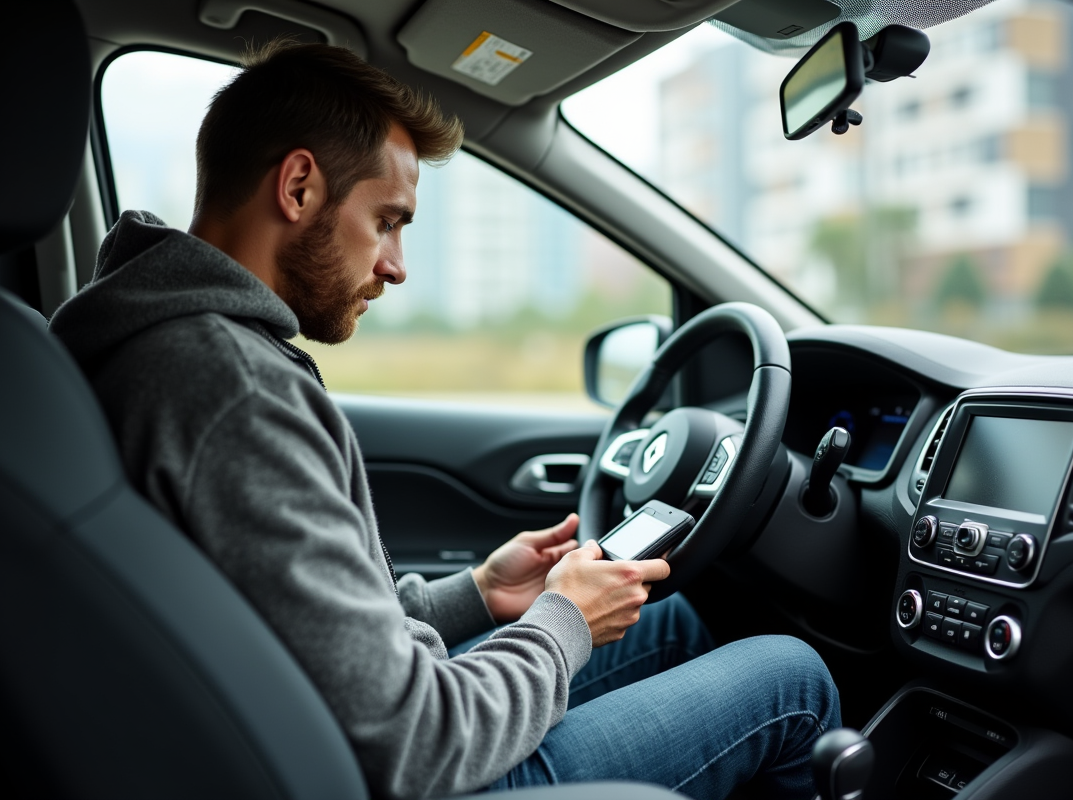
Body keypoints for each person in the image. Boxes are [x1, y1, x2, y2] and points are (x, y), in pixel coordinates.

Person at [50, 40, 840, 800]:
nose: (395, 265)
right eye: (387, 221)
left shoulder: (162, 347)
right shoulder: (233, 392)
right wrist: (565, 617)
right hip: (414, 769)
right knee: (792, 678)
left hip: (338, 737)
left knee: (671, 622)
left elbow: (303, 632)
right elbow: (418, 744)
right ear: (298, 188)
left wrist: (479, 593)